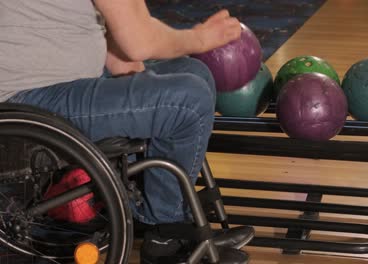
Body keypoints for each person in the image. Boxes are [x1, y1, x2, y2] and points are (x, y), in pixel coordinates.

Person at [0, 0, 251, 263]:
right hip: (29, 101)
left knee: (193, 73)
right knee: (187, 100)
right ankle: (164, 232)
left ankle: (158, 211)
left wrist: (143, 87)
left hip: (57, 86)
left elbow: (114, 34)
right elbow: (138, 40)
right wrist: (199, 38)